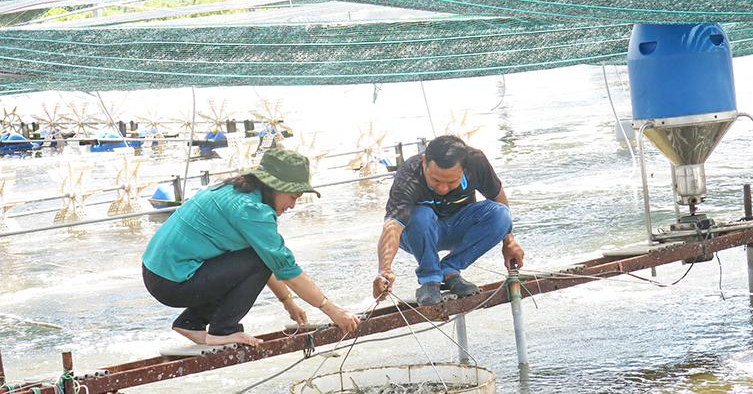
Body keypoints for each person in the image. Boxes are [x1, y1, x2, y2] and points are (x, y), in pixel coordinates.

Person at [142, 148, 360, 347]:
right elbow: (287, 270)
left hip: (159, 274)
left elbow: (256, 261)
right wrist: (334, 311)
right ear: (275, 187)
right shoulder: (251, 210)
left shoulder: (234, 191)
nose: (292, 205)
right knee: (259, 260)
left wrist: (288, 302)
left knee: (257, 258)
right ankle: (222, 330)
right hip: (173, 281)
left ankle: (191, 322)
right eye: (293, 197)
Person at [373, 135, 525, 306]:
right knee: (420, 214)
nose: (443, 188)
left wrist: (509, 241)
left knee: (501, 214)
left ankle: (450, 269)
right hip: (419, 233)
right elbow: (392, 226)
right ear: (424, 162)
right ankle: (430, 278)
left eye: (452, 181)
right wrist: (384, 269)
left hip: (459, 227)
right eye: (435, 180)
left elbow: (498, 199)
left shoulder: (476, 162)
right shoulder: (409, 174)